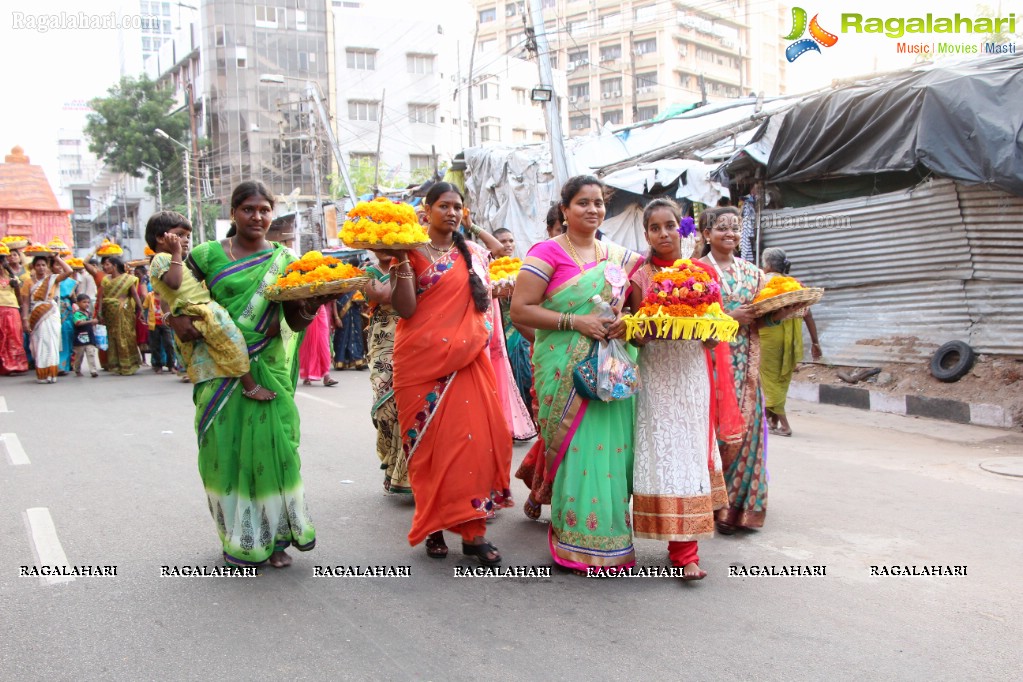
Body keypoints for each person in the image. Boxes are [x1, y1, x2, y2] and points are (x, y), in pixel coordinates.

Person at [168, 181, 331, 568]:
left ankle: (276, 540)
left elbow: (293, 317)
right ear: (233, 212)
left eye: (264, 210)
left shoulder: (287, 260)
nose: (257, 217)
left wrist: (313, 306)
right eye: (248, 209)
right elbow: (174, 292)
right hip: (221, 370)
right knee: (224, 453)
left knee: (277, 451)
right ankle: (238, 535)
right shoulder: (207, 256)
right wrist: (175, 319)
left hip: (268, 367)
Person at [511, 175, 643, 574]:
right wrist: (573, 323)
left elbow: (636, 309)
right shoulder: (547, 252)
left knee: (612, 451)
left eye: (599, 203)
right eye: (583, 202)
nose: (593, 209)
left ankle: (613, 537)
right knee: (578, 448)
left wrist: (626, 325)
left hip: (612, 370)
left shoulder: (619, 256)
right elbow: (521, 310)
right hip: (567, 374)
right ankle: (574, 540)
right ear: (565, 209)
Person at [390, 182, 510, 565]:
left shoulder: (473, 253)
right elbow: (406, 310)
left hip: (467, 361)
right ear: (426, 210)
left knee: (470, 445)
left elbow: (477, 302)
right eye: (444, 205)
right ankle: (434, 526)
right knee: (428, 450)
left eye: (458, 206)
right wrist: (402, 261)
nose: (452, 212)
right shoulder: (408, 252)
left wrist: (497, 290)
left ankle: (474, 534)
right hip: (419, 365)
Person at [627, 198, 739, 581]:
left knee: (690, 455)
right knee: (660, 455)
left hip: (692, 375)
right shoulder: (638, 278)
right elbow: (637, 338)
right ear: (646, 234)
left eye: (670, 225)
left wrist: (701, 328)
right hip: (655, 376)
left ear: (683, 229)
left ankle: (686, 553)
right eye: (655, 228)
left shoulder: (703, 275)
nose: (664, 234)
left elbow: (713, 338)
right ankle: (650, 533)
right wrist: (649, 330)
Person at [698, 206, 778, 533]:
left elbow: (763, 313)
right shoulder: (695, 271)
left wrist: (781, 310)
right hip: (709, 364)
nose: (729, 233)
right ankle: (711, 505)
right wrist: (731, 317)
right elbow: (690, 319)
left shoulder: (754, 273)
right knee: (713, 434)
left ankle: (740, 508)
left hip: (746, 366)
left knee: (748, 434)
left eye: (735, 228)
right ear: (706, 234)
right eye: (721, 228)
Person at [146, 210, 274, 400]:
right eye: (179, 235)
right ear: (160, 237)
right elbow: (174, 284)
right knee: (232, 344)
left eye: (187, 236)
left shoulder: (173, 260)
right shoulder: (162, 259)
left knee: (221, 347)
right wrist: (175, 253)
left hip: (203, 307)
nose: (186, 240)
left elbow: (167, 293)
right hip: (198, 309)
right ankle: (250, 386)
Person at [759, 247, 822, 437]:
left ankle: (784, 426)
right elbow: (808, 314)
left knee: (768, 380)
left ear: (767, 264)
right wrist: (815, 342)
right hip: (792, 339)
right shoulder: (795, 284)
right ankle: (772, 421)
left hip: (769, 337)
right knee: (781, 380)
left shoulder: (763, 282)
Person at [364, 250, 410, 494]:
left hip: (411, 337)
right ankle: (389, 459)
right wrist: (409, 284)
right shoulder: (368, 272)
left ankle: (400, 470)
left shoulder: (410, 266)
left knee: (407, 406)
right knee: (385, 409)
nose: (384, 246)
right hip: (383, 342)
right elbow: (381, 295)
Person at [20, 254, 73, 383]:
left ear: (47, 266)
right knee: (39, 343)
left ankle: (51, 374)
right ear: (33, 267)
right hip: (37, 314)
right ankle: (42, 374)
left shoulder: (52, 279)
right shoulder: (28, 282)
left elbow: (69, 271)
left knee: (52, 343)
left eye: (43, 265)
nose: (41, 268)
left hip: (51, 313)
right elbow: (26, 303)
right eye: (38, 265)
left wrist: (58, 259)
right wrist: (25, 319)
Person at [97, 256, 142, 376]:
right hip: (110, 312)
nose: (105, 267)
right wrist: (100, 311)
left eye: (107, 264)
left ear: (115, 265)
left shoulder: (128, 279)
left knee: (126, 336)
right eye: (104, 265)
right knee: (113, 337)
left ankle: (129, 365)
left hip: (124, 311)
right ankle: (117, 365)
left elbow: (134, 295)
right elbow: (101, 297)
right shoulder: (106, 280)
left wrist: (141, 309)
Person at [0, 253, 28, 375]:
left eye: (2, 263)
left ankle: (16, 365)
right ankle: (3, 366)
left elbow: (18, 293)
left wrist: (10, 271)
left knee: (14, 337)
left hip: (12, 309)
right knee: (2, 338)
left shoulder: (12, 278)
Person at [299, 302, 338, 386]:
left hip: (320, 308)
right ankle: (307, 375)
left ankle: (326, 376)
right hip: (308, 308)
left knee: (324, 342)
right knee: (308, 343)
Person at [332, 284, 367, 371]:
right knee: (342, 336)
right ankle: (340, 361)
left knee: (356, 335)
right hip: (342, 314)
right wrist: (336, 317)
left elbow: (362, 301)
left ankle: (357, 360)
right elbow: (333, 300)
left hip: (355, 313)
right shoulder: (339, 282)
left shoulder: (356, 283)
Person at [54, 260, 78, 374]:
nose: (58, 267)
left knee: (66, 336)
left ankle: (64, 365)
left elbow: (74, 298)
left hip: (66, 311)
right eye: (56, 264)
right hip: (52, 310)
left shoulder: (70, 282)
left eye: (60, 264)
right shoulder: (49, 280)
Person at [143, 288, 174, 374]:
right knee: (155, 345)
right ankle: (158, 365)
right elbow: (145, 307)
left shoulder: (166, 295)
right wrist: (145, 319)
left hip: (165, 322)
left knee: (169, 344)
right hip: (153, 323)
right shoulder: (150, 296)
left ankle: (171, 365)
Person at [71, 294, 100, 378]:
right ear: (78, 303)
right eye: (84, 302)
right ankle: (77, 369)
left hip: (89, 337)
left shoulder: (88, 313)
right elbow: (78, 323)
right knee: (79, 356)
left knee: (91, 353)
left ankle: (93, 370)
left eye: (88, 302)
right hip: (80, 339)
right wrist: (90, 321)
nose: (86, 304)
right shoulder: (77, 314)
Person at [134, 265, 151, 366]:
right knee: (141, 335)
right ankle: (143, 358)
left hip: (148, 310)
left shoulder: (147, 282)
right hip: (138, 312)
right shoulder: (135, 284)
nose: (136, 276)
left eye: (138, 274)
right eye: (135, 274)